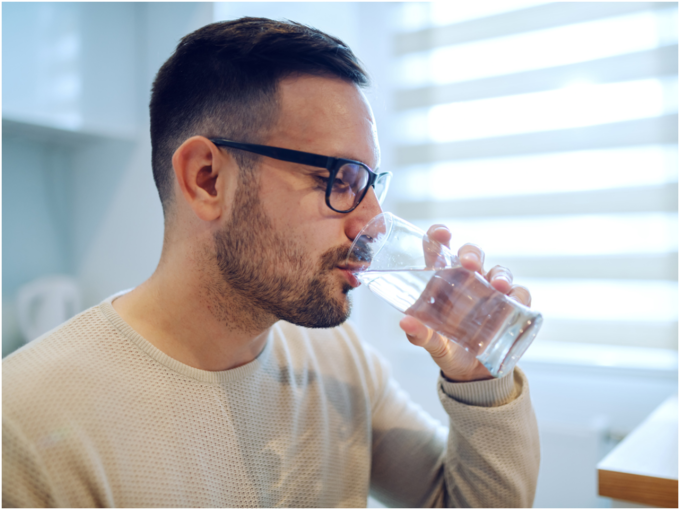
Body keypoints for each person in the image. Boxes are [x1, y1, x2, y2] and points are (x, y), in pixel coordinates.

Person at [3, 17, 540, 508]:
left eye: (371, 184)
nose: (370, 221)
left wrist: (478, 382)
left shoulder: (335, 358)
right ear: (207, 179)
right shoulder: (24, 423)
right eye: (339, 179)